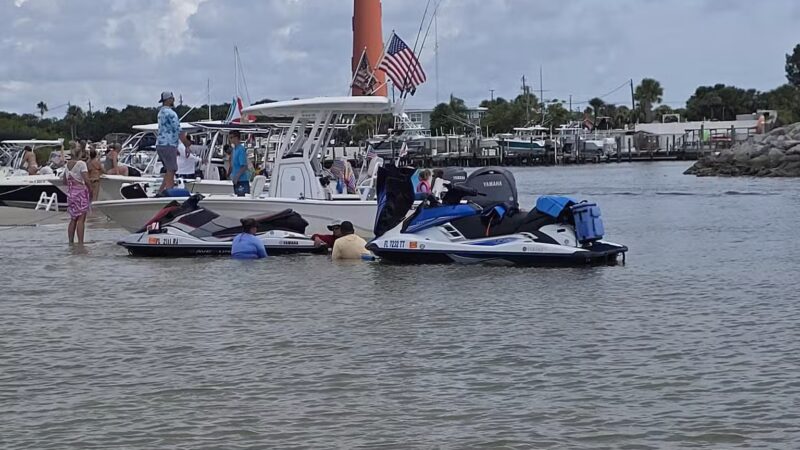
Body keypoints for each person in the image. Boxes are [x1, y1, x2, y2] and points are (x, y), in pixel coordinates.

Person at [155, 91, 191, 192]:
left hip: (160, 144)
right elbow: (178, 130)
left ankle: (161, 191)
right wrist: (187, 145)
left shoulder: (160, 112)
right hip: (168, 144)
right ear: (169, 100)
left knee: (168, 169)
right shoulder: (171, 113)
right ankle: (169, 192)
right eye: (172, 98)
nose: (173, 100)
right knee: (172, 169)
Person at [63, 148, 91, 244]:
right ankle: (80, 243)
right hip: (80, 193)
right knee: (81, 219)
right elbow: (86, 180)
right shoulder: (81, 164)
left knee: (73, 219)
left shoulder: (67, 165)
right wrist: (91, 191)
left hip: (71, 193)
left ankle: (70, 242)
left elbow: (64, 181)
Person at [229, 131, 250, 196]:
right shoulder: (234, 149)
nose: (230, 139)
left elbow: (244, 166)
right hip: (236, 181)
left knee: (242, 199)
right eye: (229, 138)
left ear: (236, 138)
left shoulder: (241, 149)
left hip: (242, 181)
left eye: (231, 137)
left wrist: (236, 177)